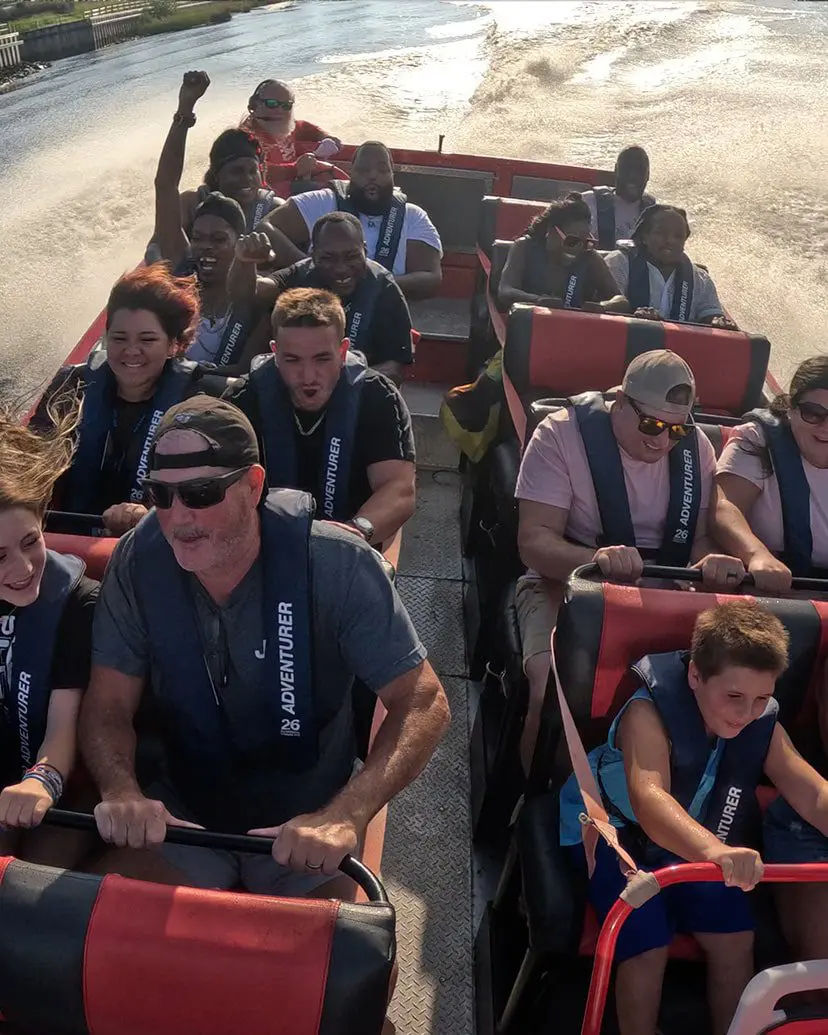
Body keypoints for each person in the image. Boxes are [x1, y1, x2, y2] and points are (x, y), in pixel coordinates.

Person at [79, 395, 449, 898]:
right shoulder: (136, 564)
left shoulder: (339, 566)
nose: (178, 517)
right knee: (92, 938)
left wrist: (345, 814)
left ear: (253, 486)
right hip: (179, 820)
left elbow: (424, 701)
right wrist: (121, 790)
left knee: (339, 964)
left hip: (306, 828)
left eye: (202, 492)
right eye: (161, 496)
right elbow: (108, 705)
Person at [560, 600, 828, 1035]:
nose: (746, 713)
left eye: (762, 698)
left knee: (736, 937)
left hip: (691, 843)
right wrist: (717, 850)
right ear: (695, 676)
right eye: (735, 697)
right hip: (613, 833)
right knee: (646, 936)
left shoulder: (762, 722)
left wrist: (714, 852)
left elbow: (813, 793)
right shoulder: (647, 712)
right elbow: (649, 800)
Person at [514, 350, 745, 774]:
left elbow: (698, 540)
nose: (662, 440)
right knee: (551, 680)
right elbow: (534, 542)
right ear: (619, 401)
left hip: (664, 593)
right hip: (569, 585)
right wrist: (595, 559)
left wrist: (711, 561)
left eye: (676, 429)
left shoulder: (698, 450)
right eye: (651, 424)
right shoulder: (560, 435)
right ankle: (534, 797)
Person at [36, 266, 227, 537]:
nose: (131, 351)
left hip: (153, 542)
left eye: (147, 339)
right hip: (61, 539)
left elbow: (206, 490)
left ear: (174, 344)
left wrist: (149, 512)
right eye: (119, 338)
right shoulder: (72, 387)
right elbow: (32, 458)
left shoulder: (199, 401)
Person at [226, 288, 416, 546]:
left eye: (322, 359)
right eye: (292, 360)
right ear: (275, 352)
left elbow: (399, 488)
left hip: (352, 544)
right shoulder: (241, 400)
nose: (308, 377)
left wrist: (356, 532)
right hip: (262, 545)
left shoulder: (377, 397)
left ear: (342, 350)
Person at [0, 401, 98, 866]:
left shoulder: (79, 605)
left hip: (64, 785)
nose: (22, 569)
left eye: (30, 542)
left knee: (31, 884)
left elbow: (63, 729)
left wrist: (39, 781)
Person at [153, 72, 272, 371]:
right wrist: (185, 108)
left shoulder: (259, 293)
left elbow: (247, 374)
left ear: (239, 242)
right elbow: (165, 186)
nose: (205, 248)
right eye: (199, 238)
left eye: (219, 240)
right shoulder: (182, 268)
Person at [230, 213, 414, 383]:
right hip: (295, 386)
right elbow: (248, 295)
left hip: (356, 392)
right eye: (328, 258)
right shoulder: (300, 274)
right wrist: (244, 262)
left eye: (351, 257)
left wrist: (337, 383)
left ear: (364, 251)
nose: (341, 268)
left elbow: (395, 368)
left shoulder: (384, 288)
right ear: (313, 255)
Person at [258, 140, 443, 300]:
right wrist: (311, 270)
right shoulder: (321, 201)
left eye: (382, 169)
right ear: (350, 173)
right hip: (321, 304)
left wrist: (378, 284)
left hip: (382, 309)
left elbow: (431, 277)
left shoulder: (413, 216)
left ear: (392, 175)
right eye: (364, 170)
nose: (372, 175)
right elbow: (264, 228)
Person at [711, 356, 828, 593]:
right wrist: (756, 555)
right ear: (791, 409)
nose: (825, 427)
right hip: (763, 589)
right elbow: (723, 507)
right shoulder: (757, 439)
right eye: (814, 413)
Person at [152, 71, 281, 250]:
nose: (248, 178)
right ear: (217, 175)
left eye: (253, 171)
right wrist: (185, 108)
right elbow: (165, 186)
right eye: (236, 171)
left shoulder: (274, 210)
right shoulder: (192, 205)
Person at [604, 205, 738, 328]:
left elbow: (710, 314)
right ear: (644, 236)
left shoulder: (700, 278)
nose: (670, 241)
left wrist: (717, 321)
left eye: (678, 236)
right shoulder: (619, 262)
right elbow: (609, 307)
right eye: (661, 233)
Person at [497, 196, 630, 314]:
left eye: (586, 242)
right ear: (551, 232)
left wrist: (603, 306)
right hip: (529, 327)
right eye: (572, 241)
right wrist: (537, 300)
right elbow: (505, 290)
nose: (578, 248)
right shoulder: (524, 247)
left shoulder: (590, 257)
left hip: (573, 331)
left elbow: (621, 301)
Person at [240, 78, 342, 189]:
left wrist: (326, 137)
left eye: (286, 106)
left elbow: (303, 126)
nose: (279, 110)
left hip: (298, 180)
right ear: (254, 105)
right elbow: (254, 170)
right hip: (273, 192)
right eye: (272, 104)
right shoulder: (246, 138)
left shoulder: (284, 126)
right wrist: (295, 169)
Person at [581, 145, 655, 249]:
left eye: (639, 170)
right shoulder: (588, 203)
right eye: (626, 168)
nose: (632, 176)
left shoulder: (654, 212)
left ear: (648, 174)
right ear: (616, 170)